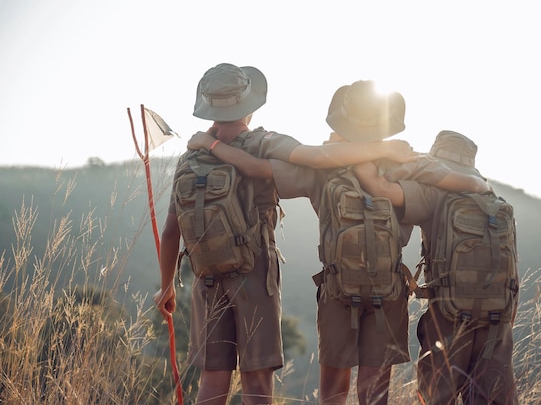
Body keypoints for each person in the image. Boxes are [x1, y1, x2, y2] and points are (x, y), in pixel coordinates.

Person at [187, 81, 491, 405]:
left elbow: (254, 168)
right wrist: (478, 183)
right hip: (388, 293)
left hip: (337, 292)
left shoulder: (323, 169)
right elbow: (469, 183)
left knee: (333, 391)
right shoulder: (408, 164)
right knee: (374, 393)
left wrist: (209, 144)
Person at [153, 64, 419, 405]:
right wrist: (382, 151)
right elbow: (317, 156)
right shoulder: (264, 142)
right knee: (257, 381)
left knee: (213, 380)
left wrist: (166, 285)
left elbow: (171, 230)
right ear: (249, 107)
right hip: (256, 274)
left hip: (205, 277)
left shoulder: (191, 157)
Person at [355, 130, 519, 405]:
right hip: (497, 319)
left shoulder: (433, 193)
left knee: (437, 396)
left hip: (448, 316)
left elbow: (380, 188)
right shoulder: (495, 202)